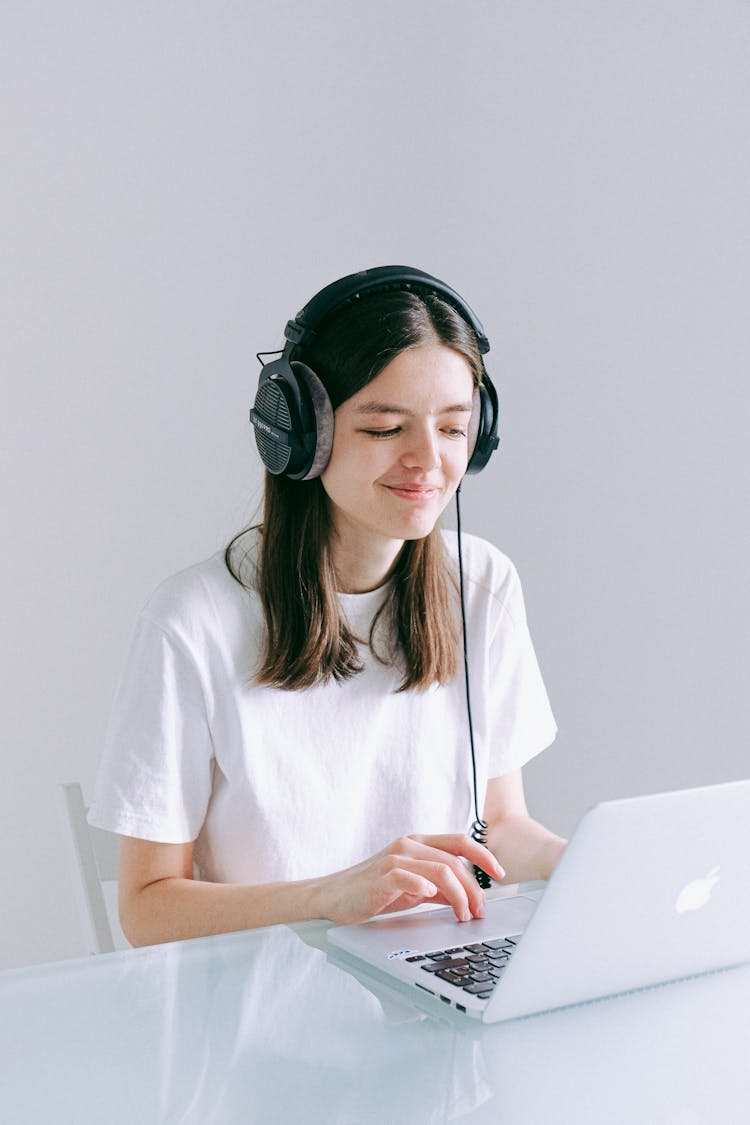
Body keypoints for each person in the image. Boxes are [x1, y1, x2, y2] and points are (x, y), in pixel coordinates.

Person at [88, 266, 565, 947]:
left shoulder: (482, 585)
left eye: (454, 429)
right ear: (302, 435)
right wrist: (330, 895)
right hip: (269, 1028)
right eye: (385, 428)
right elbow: (146, 909)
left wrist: (571, 861)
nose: (427, 460)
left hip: (439, 1000)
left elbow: (498, 823)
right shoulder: (192, 622)